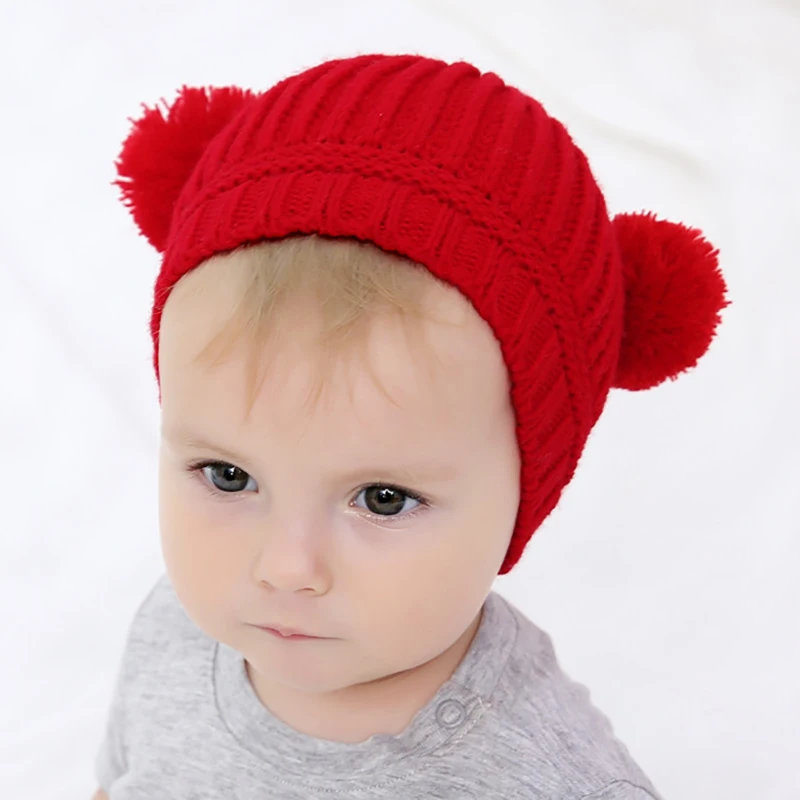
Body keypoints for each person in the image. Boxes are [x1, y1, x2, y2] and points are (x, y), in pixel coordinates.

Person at [92, 53, 728, 799]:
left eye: (383, 498)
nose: (287, 568)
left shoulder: (542, 779)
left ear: (527, 496)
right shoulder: (172, 632)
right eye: (229, 477)